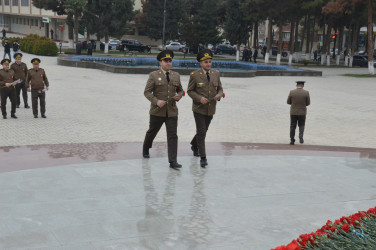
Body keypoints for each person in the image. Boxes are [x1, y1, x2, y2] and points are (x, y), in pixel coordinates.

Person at [143, 50, 184, 169]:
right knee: (152, 131)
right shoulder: (154, 75)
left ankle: (173, 161)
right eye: (166, 61)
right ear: (160, 62)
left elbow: (180, 90)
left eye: (170, 61)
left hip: (171, 111)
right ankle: (146, 147)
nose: (168, 63)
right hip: (157, 111)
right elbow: (146, 92)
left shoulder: (176, 75)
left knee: (173, 135)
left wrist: (179, 96)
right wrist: (156, 101)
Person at [187, 49, 224, 168]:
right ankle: (203, 157)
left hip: (211, 108)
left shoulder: (216, 74)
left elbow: (220, 89)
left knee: (203, 130)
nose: (208, 64)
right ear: (200, 63)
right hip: (199, 109)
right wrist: (199, 98)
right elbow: (190, 91)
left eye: (210, 61)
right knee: (202, 132)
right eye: (206, 62)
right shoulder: (195, 75)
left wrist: (219, 95)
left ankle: (194, 143)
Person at [287, 81, 310, 145]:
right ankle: (301, 137)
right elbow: (308, 103)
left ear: (296, 85)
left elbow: (288, 102)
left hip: (293, 112)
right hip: (302, 112)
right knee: (301, 125)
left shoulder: (292, 92)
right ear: (303, 86)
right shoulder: (306, 93)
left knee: (292, 126)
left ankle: (292, 140)